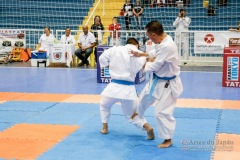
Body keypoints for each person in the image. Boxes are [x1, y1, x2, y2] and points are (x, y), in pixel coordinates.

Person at [131, 20, 183, 148]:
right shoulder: (163, 40)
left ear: (154, 34)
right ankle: (142, 122)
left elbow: (156, 64)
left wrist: (142, 65)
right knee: (141, 102)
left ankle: (167, 139)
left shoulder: (168, 46)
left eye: (149, 36)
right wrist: (141, 54)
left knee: (161, 112)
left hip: (168, 84)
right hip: (156, 80)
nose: (149, 39)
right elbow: (155, 53)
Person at [99, 38, 154, 140]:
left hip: (113, 88)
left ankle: (105, 128)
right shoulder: (140, 53)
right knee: (131, 115)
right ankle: (147, 127)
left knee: (104, 105)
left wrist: (109, 66)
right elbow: (147, 65)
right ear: (136, 44)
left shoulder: (115, 49)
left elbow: (102, 58)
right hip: (128, 89)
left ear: (127, 43)